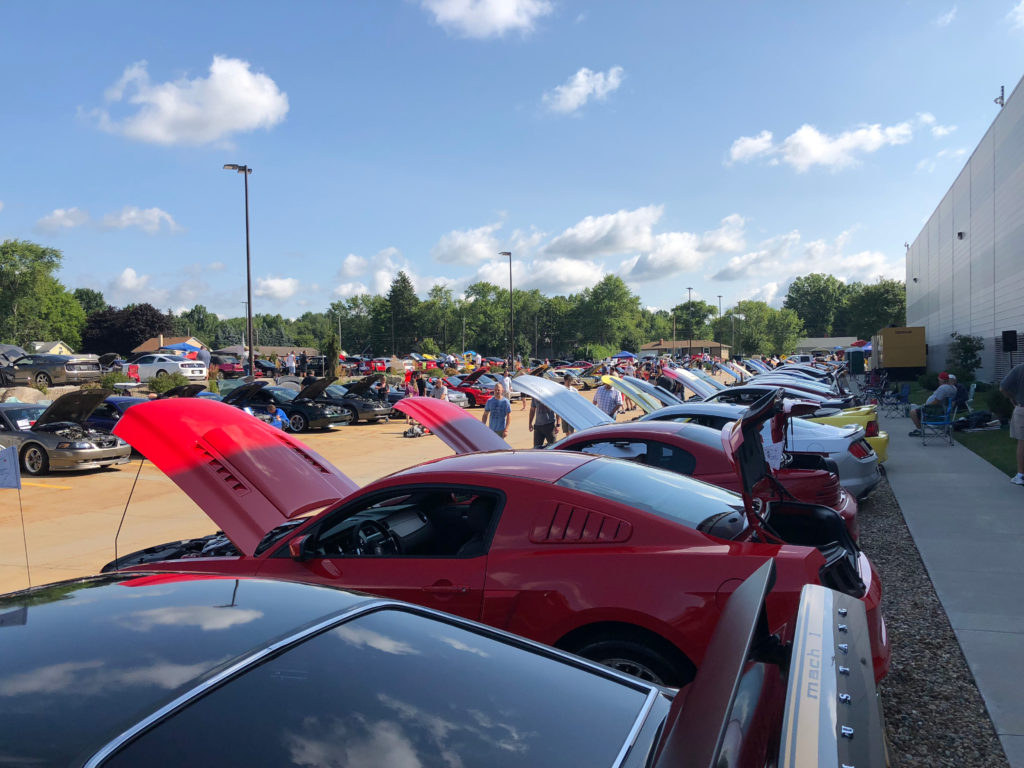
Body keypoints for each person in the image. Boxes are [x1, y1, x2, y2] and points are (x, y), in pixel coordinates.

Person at [908, 371, 957, 436]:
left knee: (912, 412)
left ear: (942, 380)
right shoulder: (953, 388)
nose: (938, 382)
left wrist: (926, 406)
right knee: (915, 407)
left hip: (934, 411)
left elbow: (937, 401)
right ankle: (920, 429)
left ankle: (919, 430)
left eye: (939, 380)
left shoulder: (943, 388)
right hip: (944, 411)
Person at [1000, 361, 1024, 485]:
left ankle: (1021, 474)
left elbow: (1003, 387)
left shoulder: (1019, 369)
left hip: (1022, 408)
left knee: (1022, 442)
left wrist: (1011, 398)